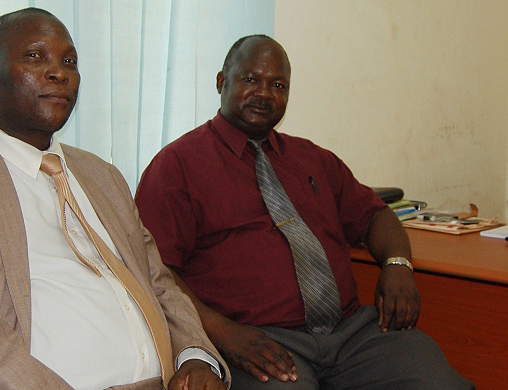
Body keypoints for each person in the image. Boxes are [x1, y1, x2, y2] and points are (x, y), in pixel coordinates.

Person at [0, 8, 229, 390]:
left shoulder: (102, 176)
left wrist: (196, 356)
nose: (59, 72)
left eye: (69, 61)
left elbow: (158, 283)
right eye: (34, 56)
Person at [135, 35, 474, 389]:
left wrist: (398, 264)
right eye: (251, 79)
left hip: (351, 334)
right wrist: (224, 334)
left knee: (438, 380)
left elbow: (375, 215)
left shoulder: (313, 159)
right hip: (258, 341)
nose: (264, 93)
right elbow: (156, 272)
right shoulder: (177, 166)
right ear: (222, 81)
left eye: (278, 84)